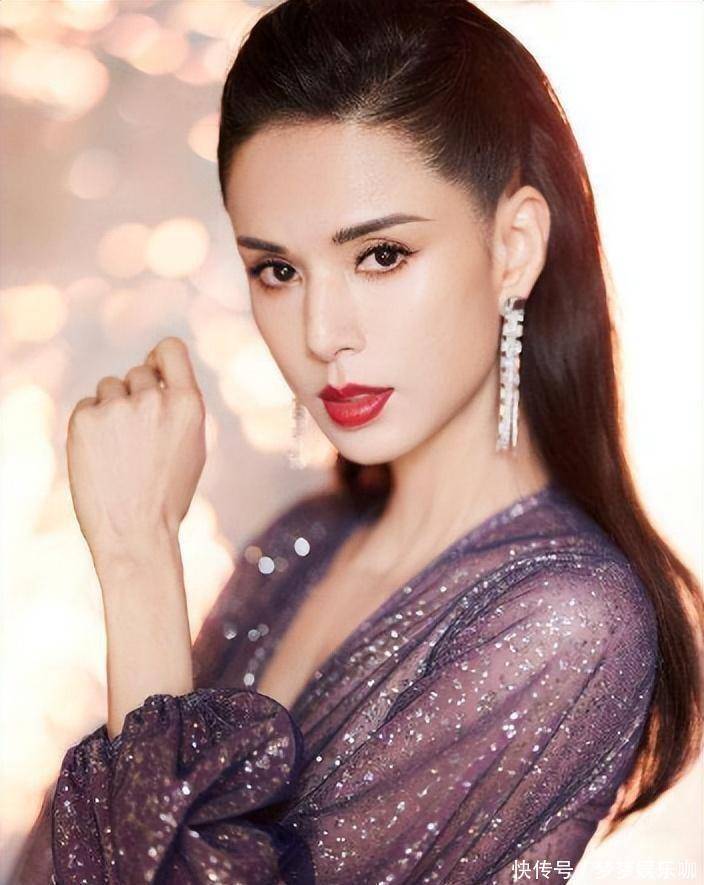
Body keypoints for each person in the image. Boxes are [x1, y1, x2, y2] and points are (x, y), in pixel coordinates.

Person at [10, 1, 703, 883]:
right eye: (279, 270)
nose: (321, 332)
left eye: (380, 255)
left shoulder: (567, 621)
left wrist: (138, 558)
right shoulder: (302, 542)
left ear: (514, 246)